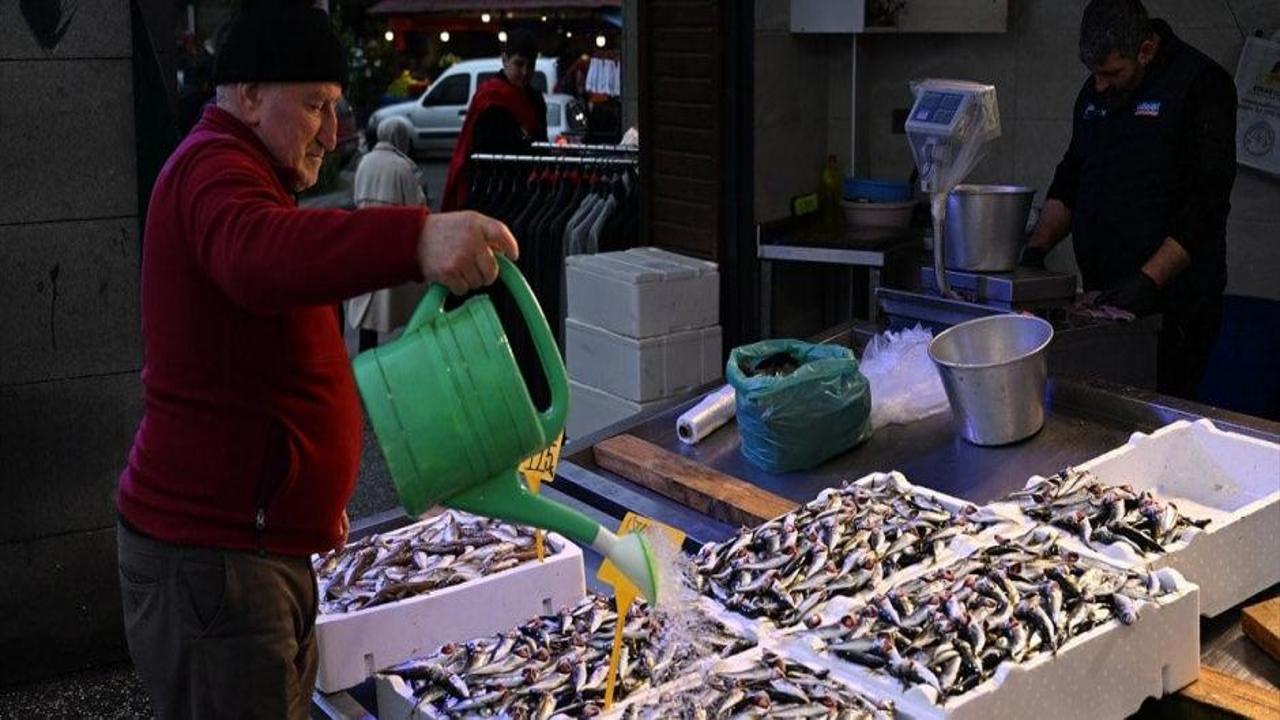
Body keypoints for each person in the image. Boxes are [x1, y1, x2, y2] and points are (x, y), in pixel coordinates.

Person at [114, 5, 517, 718]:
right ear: (246, 94)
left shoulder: (245, 171)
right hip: (216, 566)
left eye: (335, 107)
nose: (332, 135)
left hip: (254, 558)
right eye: (313, 106)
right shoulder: (211, 170)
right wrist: (416, 240)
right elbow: (258, 256)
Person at [1021, 0, 1236, 401]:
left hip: (1175, 306)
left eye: (1111, 73)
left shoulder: (1201, 85)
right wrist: (1035, 251)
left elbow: (1206, 205)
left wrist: (1147, 279)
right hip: (1105, 301)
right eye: (1094, 73)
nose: (1099, 84)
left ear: (1147, 50)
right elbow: (1072, 175)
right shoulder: (1096, 92)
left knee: (1155, 415)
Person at [440, 28, 548, 211]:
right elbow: (482, 149)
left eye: (531, 66)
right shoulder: (489, 97)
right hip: (492, 191)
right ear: (505, 59)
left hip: (528, 191)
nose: (525, 72)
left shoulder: (536, 98)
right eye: (519, 64)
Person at [347, 116, 427, 351]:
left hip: (365, 237)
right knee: (404, 306)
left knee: (368, 305)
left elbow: (355, 198)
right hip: (395, 240)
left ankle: (365, 355)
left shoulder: (365, 162)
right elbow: (415, 206)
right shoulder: (403, 167)